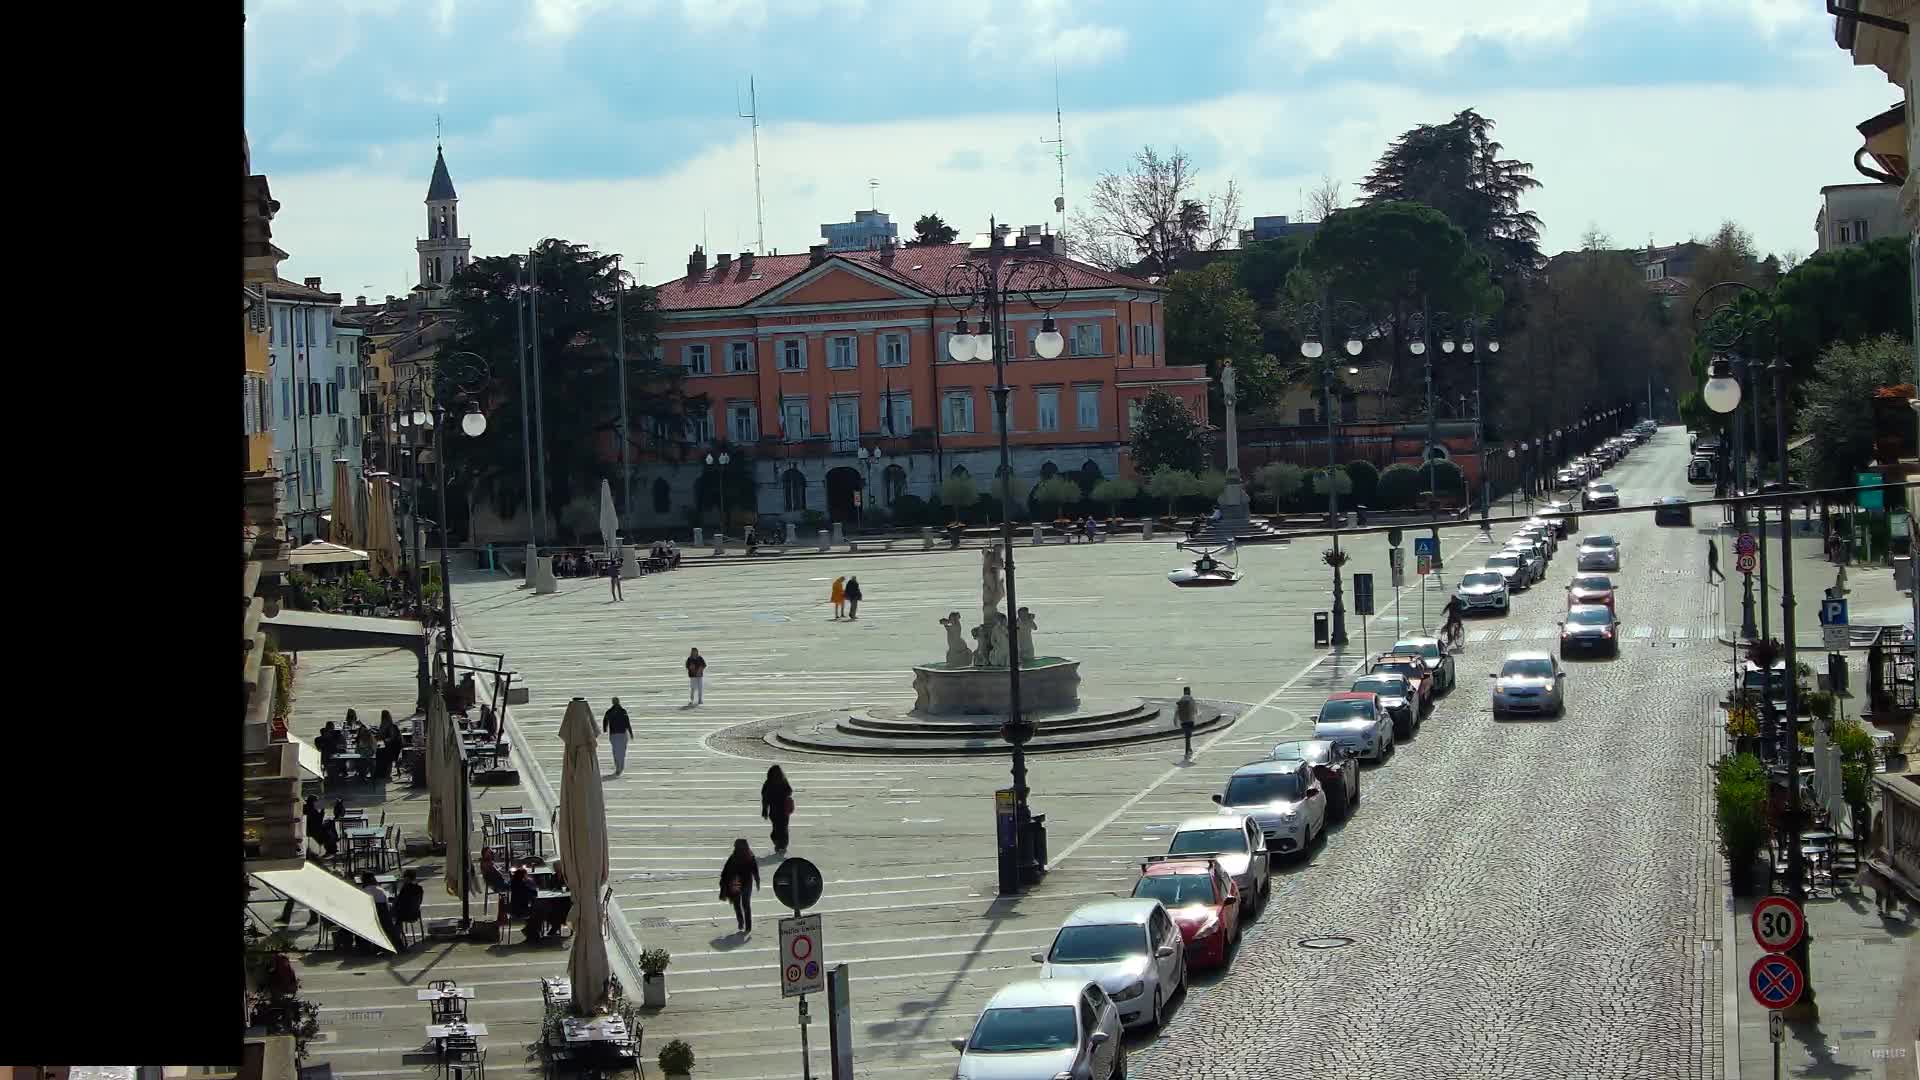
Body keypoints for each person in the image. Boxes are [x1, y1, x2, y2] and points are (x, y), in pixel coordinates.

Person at [719, 838, 761, 935]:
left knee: (737, 904)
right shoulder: (750, 856)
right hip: (747, 884)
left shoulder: (733, 857)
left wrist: (724, 884)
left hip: (736, 884)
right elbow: (755, 870)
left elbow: (725, 872)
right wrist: (757, 881)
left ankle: (741, 922)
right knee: (746, 905)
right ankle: (748, 927)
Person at [761, 765, 793, 856]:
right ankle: (782, 845)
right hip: (782, 810)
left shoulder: (768, 783)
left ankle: (780, 845)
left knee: (778, 828)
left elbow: (764, 797)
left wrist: (764, 809)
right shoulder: (783, 781)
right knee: (783, 828)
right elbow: (790, 791)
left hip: (775, 810)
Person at [391, 869, 425, 948]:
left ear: (407, 878)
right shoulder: (419, 888)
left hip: (405, 914)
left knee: (392, 916)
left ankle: (396, 939)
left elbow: (399, 902)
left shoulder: (406, 888)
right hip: (415, 913)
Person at [508, 866, 543, 941]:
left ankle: (531, 931)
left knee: (537, 910)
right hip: (520, 910)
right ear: (523, 876)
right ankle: (531, 931)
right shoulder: (522, 885)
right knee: (539, 912)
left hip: (514, 908)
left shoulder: (514, 883)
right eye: (526, 875)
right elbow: (533, 893)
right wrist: (530, 882)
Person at [603, 696, 632, 775]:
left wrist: (605, 729)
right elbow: (627, 723)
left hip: (614, 734)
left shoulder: (609, 711)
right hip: (622, 733)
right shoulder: (623, 711)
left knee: (616, 751)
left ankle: (618, 767)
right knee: (622, 751)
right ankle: (620, 767)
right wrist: (630, 732)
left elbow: (605, 720)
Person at [1175, 687, 1198, 762]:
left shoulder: (1181, 699)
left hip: (1183, 720)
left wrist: (1175, 720)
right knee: (1188, 736)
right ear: (1188, 691)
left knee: (1187, 736)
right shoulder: (1191, 699)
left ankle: (1189, 749)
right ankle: (1187, 751)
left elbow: (1177, 710)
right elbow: (1195, 709)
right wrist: (1196, 716)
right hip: (1190, 720)